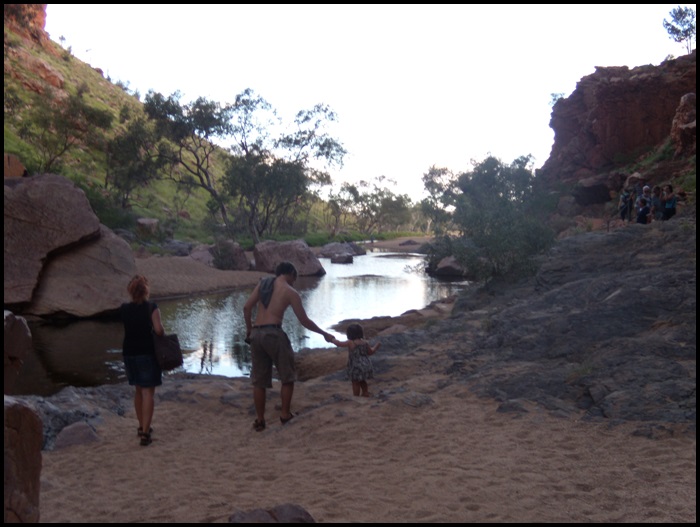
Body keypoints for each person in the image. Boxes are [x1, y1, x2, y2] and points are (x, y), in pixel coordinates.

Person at [243, 261, 335, 431]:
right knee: (287, 376)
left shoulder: (263, 284)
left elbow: (247, 307)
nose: (295, 281)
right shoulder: (290, 292)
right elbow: (304, 321)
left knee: (259, 381)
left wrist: (249, 330)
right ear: (291, 273)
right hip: (273, 334)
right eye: (295, 277)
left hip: (256, 334)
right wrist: (324, 334)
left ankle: (260, 420)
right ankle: (285, 415)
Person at [120, 275, 165, 446]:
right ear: (146, 290)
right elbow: (159, 330)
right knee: (148, 392)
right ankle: (146, 432)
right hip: (147, 353)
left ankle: (140, 426)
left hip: (129, 353)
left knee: (138, 390)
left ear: (130, 291)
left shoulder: (124, 309)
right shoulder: (152, 308)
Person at [331, 323, 381, 397]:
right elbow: (370, 352)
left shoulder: (351, 342)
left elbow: (339, 344)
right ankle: (365, 392)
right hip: (366, 364)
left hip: (356, 366)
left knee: (355, 382)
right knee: (362, 380)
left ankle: (356, 396)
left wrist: (333, 339)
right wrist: (376, 346)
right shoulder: (365, 342)